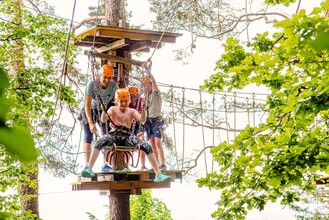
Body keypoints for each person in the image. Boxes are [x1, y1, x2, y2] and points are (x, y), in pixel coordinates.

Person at [81, 88, 172, 183]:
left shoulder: (131, 111)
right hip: (114, 134)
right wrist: (104, 111)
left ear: (128, 101)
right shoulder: (113, 109)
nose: (123, 104)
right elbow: (104, 120)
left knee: (147, 146)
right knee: (99, 142)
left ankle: (158, 174)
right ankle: (89, 168)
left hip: (127, 136)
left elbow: (142, 120)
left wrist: (144, 109)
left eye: (125, 101)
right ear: (116, 102)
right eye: (121, 102)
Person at [82, 64, 118, 172]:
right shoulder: (92, 84)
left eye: (109, 78)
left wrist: (107, 113)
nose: (106, 80)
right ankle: (88, 166)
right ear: (100, 75)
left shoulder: (113, 87)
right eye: (104, 77)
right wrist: (91, 122)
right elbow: (87, 105)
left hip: (105, 109)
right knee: (88, 135)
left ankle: (105, 164)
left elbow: (116, 104)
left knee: (106, 135)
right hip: (91, 109)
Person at [143, 73, 167, 170]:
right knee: (152, 143)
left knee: (157, 142)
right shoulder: (145, 98)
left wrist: (150, 75)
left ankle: (163, 163)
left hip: (156, 120)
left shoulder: (156, 93)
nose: (146, 87)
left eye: (148, 85)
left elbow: (155, 84)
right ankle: (156, 164)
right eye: (145, 85)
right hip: (149, 122)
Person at [128, 86, 148, 170]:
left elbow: (144, 119)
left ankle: (143, 165)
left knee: (141, 142)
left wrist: (144, 108)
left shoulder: (141, 101)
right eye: (131, 96)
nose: (133, 98)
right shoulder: (127, 102)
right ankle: (126, 164)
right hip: (130, 124)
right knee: (127, 142)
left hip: (139, 124)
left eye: (134, 96)